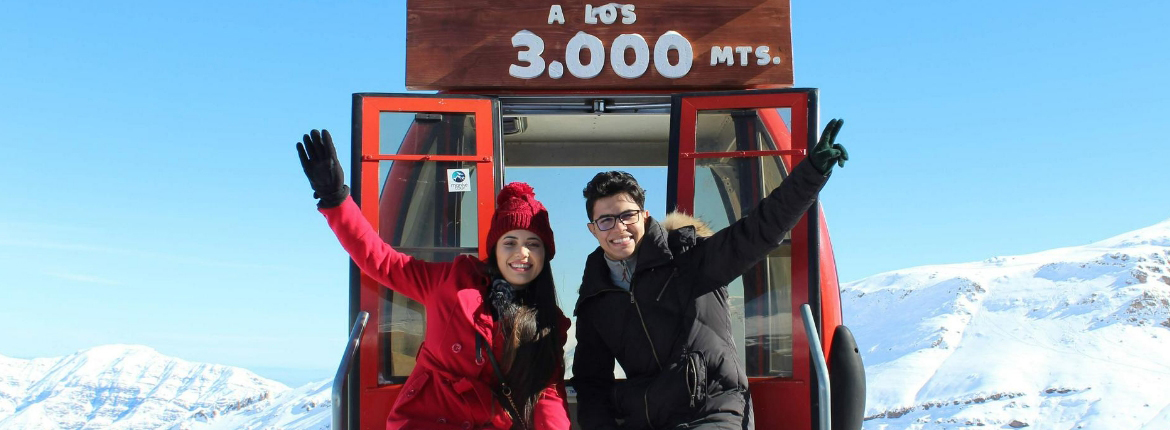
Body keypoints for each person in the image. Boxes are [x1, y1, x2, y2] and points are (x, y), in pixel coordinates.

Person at [570, 119, 850, 429]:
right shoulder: (596, 298)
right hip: (651, 420)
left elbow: (757, 232)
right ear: (593, 230)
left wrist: (811, 173)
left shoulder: (688, 258)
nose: (619, 227)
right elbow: (591, 383)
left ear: (644, 216)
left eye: (627, 215)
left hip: (714, 409)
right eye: (606, 220)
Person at [296, 129, 571, 429]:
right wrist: (336, 200)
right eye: (510, 243)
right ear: (494, 250)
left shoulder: (548, 322)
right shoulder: (452, 283)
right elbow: (381, 261)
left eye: (533, 244)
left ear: (546, 255)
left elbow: (546, 394)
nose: (522, 253)